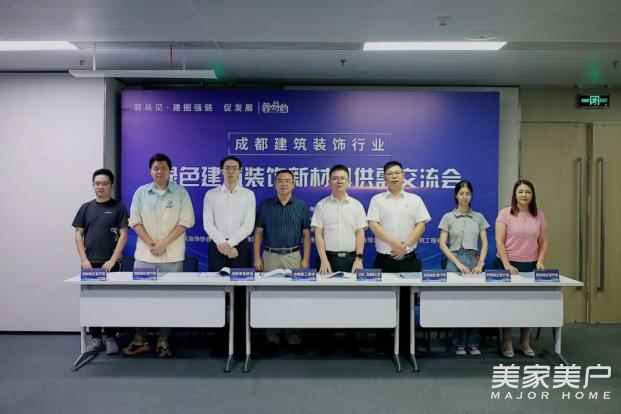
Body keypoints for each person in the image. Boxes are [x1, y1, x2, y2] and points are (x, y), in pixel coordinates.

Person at [123, 153, 195, 358]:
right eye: (156, 168)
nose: (159, 171)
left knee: (169, 299)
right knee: (141, 299)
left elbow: (186, 221)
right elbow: (134, 221)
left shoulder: (180, 192)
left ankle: (163, 341)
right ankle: (140, 339)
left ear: (170, 171)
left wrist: (163, 244)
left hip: (172, 257)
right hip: (145, 256)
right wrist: (151, 243)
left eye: (163, 168)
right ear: (150, 171)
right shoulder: (141, 192)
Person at [367, 160, 431, 352]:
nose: (394, 176)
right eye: (390, 173)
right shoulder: (377, 200)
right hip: (384, 260)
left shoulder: (415, 200)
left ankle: (407, 343)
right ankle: (382, 343)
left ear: (403, 176)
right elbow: (373, 225)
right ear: (384, 178)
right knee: (382, 302)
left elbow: (421, 224)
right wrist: (395, 244)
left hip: (409, 260)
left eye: (397, 173)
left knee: (407, 303)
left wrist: (406, 245)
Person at [72, 168, 128, 355]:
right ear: (93, 185)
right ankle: (95, 338)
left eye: (104, 184)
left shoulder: (119, 208)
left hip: (111, 264)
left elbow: (123, 235)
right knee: (92, 301)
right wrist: (84, 260)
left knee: (111, 300)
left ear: (111, 186)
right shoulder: (86, 208)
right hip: (90, 264)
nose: (100, 187)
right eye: (97, 184)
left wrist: (113, 259)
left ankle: (110, 336)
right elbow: (78, 234)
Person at [254, 169, 311, 346]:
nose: (284, 184)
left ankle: (293, 332)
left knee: (294, 296)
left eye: (287, 181)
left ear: (293, 184)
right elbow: (258, 233)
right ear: (275, 184)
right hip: (270, 256)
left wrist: (305, 259)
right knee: (269, 296)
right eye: (280, 180)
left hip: (294, 256)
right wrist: (257, 257)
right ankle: (272, 333)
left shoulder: (301, 206)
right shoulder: (265, 205)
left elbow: (307, 236)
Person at [495, 179, 548, 358]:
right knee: (507, 305)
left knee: (528, 305)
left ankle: (525, 341)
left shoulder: (539, 215)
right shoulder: (505, 213)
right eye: (520, 192)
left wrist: (540, 261)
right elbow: (499, 241)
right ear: (515, 195)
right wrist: (507, 265)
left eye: (527, 192)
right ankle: (507, 340)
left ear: (532, 195)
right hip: (508, 265)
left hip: (530, 265)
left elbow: (543, 241)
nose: (524, 195)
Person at [438, 180, 489, 356]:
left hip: (474, 261)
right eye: (461, 193)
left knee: (475, 303)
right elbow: (442, 244)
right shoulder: (448, 217)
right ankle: (458, 343)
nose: (464, 197)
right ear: (456, 195)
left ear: (471, 196)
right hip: (454, 261)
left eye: (467, 194)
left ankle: (473, 342)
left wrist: (481, 263)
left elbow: (485, 243)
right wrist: (458, 263)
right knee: (456, 303)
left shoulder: (479, 217)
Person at [312, 164, 366, 274]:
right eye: (335, 178)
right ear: (329, 182)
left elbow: (360, 233)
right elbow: (318, 234)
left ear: (348, 182)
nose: (339, 181)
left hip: (351, 260)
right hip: (327, 260)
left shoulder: (356, 205)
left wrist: (359, 259)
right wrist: (324, 260)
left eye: (342, 178)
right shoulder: (321, 205)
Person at [203, 156, 255, 271]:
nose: (230, 171)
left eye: (234, 168)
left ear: (240, 171)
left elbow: (248, 225)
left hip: (241, 246)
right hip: (217, 245)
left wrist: (230, 244)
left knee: (241, 281)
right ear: (222, 171)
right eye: (227, 168)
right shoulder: (211, 194)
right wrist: (222, 244)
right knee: (216, 281)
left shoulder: (248, 194)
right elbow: (208, 224)